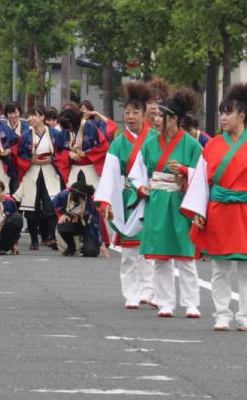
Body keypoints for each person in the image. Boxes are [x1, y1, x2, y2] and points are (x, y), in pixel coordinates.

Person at [183, 84, 247, 332]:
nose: (223, 118)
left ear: (242, 116)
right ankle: (222, 315)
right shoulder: (212, 145)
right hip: (220, 210)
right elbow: (201, 182)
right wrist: (199, 213)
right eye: (221, 113)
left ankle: (246, 316)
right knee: (220, 268)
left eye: (229, 113)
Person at [130, 88, 203, 319]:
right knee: (161, 257)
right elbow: (137, 172)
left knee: (185, 254)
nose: (156, 120)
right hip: (158, 200)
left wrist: (184, 172)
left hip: (181, 202)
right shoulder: (150, 145)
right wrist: (141, 187)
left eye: (162, 116)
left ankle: (191, 303)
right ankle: (165, 302)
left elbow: (202, 175)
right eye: (157, 116)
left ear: (174, 119)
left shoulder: (192, 145)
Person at [96, 81, 155, 309]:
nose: (130, 116)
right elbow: (110, 173)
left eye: (135, 112)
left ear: (144, 114)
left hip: (149, 197)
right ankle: (131, 294)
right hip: (126, 198)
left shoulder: (154, 139)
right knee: (129, 251)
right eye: (127, 112)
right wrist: (105, 200)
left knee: (148, 249)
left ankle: (148, 291)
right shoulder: (119, 143)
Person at [14, 106, 66, 251]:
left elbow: (62, 151)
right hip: (32, 171)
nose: (31, 119)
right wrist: (31, 159)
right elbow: (20, 154)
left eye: (34, 115)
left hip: (50, 170)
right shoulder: (26, 135)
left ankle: (51, 237)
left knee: (51, 204)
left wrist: (53, 159)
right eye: (29, 116)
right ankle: (34, 240)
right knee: (32, 207)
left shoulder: (54, 133)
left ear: (42, 117)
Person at [53, 179, 102, 257]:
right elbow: (53, 207)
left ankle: (86, 244)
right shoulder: (63, 195)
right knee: (62, 227)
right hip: (71, 222)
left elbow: (96, 221)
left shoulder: (90, 201)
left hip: (87, 226)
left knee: (91, 252)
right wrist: (62, 215)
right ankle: (71, 246)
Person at [64, 106, 109, 190]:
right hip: (73, 167)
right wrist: (69, 153)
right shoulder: (66, 130)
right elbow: (60, 149)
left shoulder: (89, 126)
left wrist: (86, 153)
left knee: (94, 192)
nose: (68, 129)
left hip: (90, 166)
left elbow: (103, 146)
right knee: (71, 192)